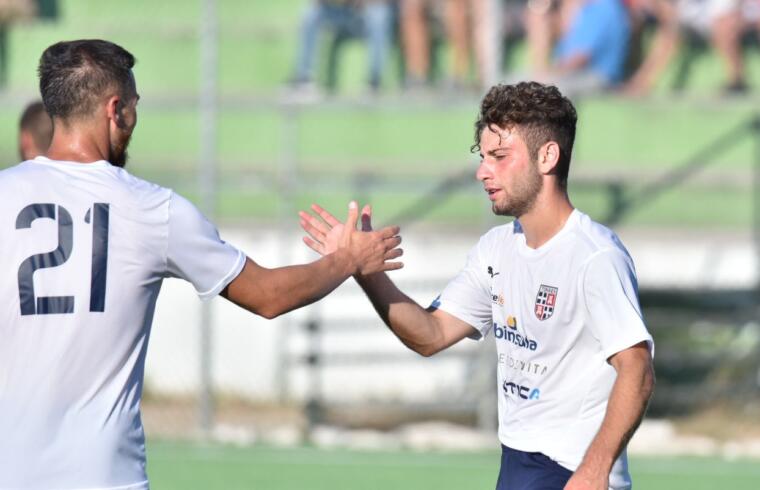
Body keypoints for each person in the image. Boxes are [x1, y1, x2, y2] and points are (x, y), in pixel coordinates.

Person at [0, 39, 403, 490]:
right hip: (104, 477)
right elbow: (268, 296)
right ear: (115, 109)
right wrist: (347, 259)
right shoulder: (152, 208)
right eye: (134, 106)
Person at [300, 81, 655, 490]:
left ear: (548, 157)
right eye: (483, 157)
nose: (482, 171)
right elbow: (430, 335)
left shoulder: (595, 256)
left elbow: (637, 368)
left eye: (500, 157)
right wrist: (363, 270)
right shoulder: (496, 249)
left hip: (571, 471)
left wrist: (594, 471)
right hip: (517, 462)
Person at [524, 0, 632, 95]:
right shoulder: (584, 9)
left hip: (601, 77)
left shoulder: (603, 8)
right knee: (519, 83)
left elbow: (580, 59)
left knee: (552, 90)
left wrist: (549, 74)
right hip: (577, 72)